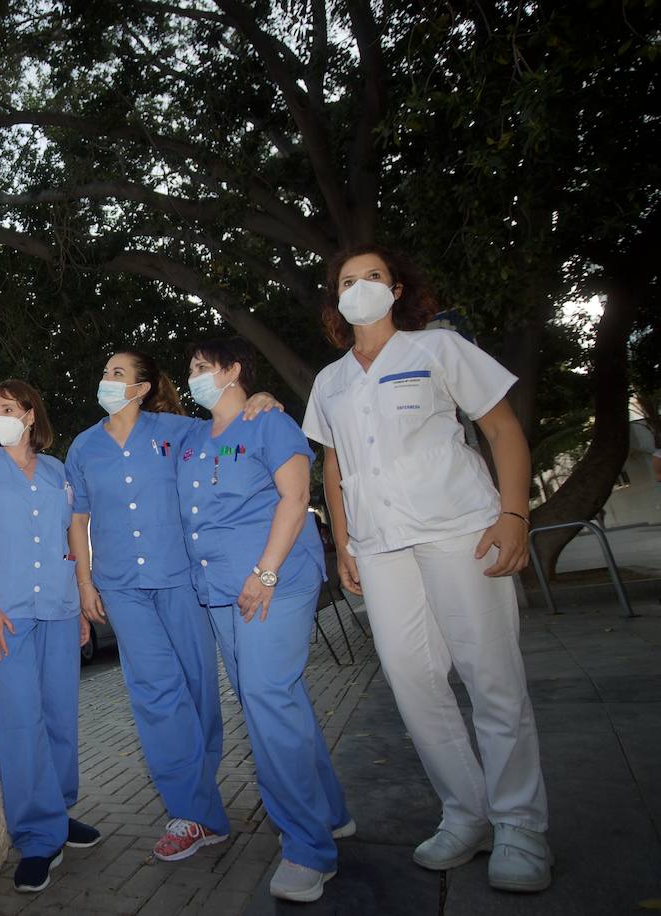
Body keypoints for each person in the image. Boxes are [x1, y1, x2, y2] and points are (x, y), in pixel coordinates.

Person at [302, 244, 551, 893]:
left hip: (459, 529)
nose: (360, 288)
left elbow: (500, 428)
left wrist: (514, 515)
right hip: (382, 546)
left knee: (490, 674)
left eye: (373, 277)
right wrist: (348, 544)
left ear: (398, 287)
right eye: (347, 281)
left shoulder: (439, 348)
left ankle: (521, 823)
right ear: (335, 297)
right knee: (413, 683)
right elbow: (333, 466)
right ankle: (466, 812)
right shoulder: (330, 382)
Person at [66, 349, 274, 863]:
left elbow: (230, 434)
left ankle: (202, 798)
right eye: (105, 369)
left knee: (200, 689)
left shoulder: (179, 432)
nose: (107, 379)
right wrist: (84, 583)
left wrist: (260, 401)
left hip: (182, 577)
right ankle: (194, 811)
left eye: (118, 373)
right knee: (156, 693)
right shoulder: (85, 447)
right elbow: (77, 519)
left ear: (141, 387)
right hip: (122, 586)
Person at [177, 336, 353, 903]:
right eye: (191, 370)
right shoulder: (193, 441)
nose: (195, 377)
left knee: (266, 697)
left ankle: (307, 848)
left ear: (234, 371)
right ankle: (330, 813)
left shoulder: (270, 423)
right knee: (278, 697)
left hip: (273, 583)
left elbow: (296, 496)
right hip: (221, 591)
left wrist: (266, 572)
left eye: (205, 368)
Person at [0, 379, 101, 894]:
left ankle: (57, 813)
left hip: (57, 610)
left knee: (59, 713)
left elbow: (69, 539)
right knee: (18, 721)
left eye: (8, 407)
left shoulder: (59, 473)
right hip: (5, 616)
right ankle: (36, 837)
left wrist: (80, 602)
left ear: (31, 414)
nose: (0, 415)